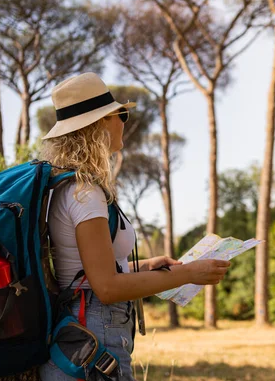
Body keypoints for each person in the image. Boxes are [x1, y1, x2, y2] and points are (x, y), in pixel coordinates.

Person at [38, 72, 230, 381]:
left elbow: (87, 272)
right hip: (94, 335)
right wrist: (190, 274)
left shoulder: (70, 187)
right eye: (121, 114)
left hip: (84, 335)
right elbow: (107, 287)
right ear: (99, 124)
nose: (124, 121)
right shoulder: (85, 194)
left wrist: (147, 266)